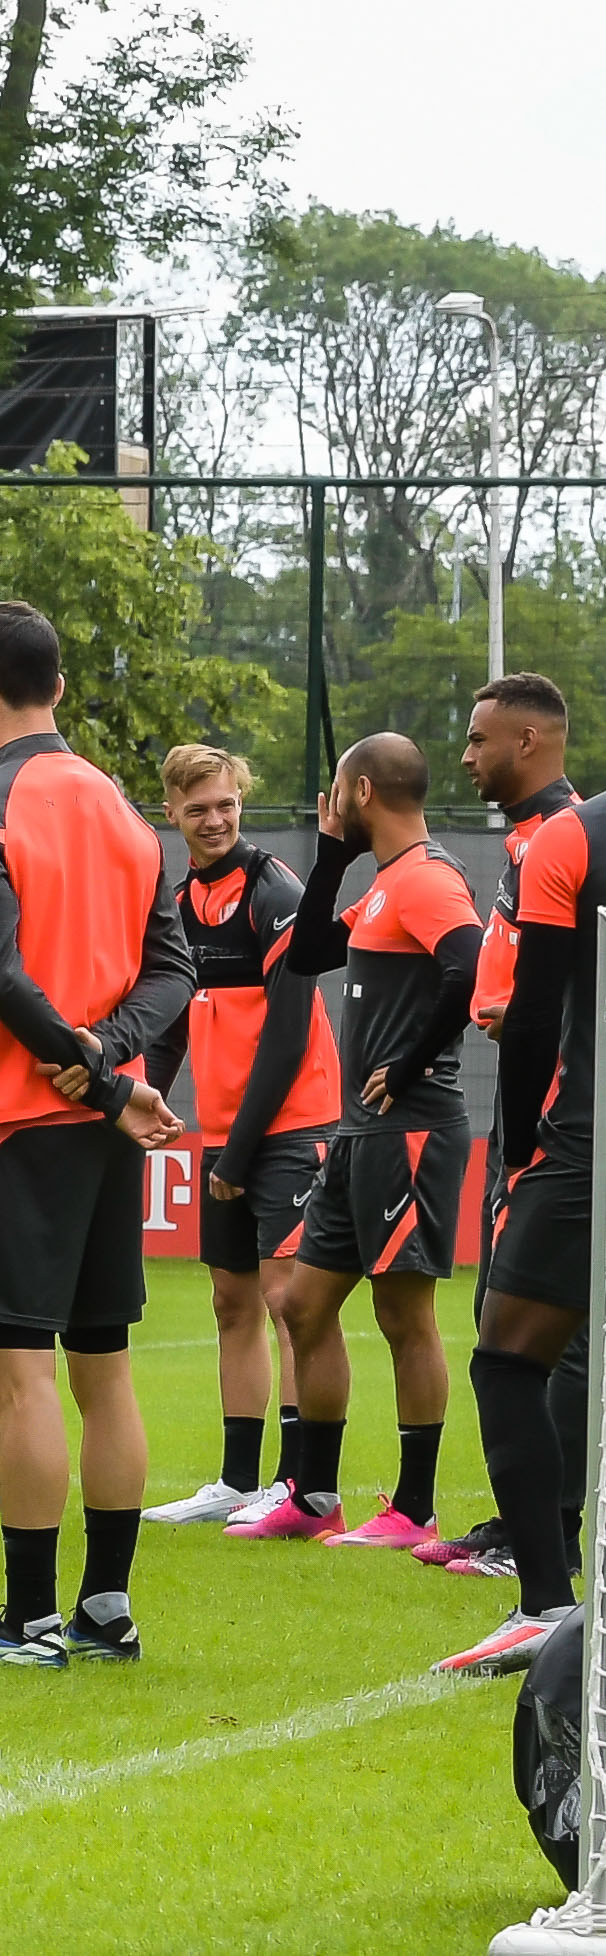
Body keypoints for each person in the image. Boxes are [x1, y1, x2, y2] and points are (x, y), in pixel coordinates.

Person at [0, 601, 194, 1668]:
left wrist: (97, 1081)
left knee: (19, 1374)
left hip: (23, 1126)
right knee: (102, 1369)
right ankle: (105, 1610)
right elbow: (174, 974)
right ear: (58, 688)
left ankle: (27, 1623)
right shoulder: (126, 816)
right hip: (101, 1128)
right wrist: (114, 1063)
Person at [236, 730, 482, 1553]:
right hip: (360, 1136)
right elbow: (305, 953)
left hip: (409, 1132)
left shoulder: (427, 879)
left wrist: (410, 1066)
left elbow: (471, 964)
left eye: (338, 791)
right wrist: (332, 858)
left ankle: (413, 1508)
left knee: (401, 1311)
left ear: (363, 792)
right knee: (302, 1307)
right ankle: (314, 1497)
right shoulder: (382, 885)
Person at [140, 741, 334, 1526]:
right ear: (173, 815)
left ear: (240, 801)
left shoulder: (275, 890)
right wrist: (141, 1092)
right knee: (231, 1300)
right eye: (198, 809)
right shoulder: (181, 901)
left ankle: (297, 1484)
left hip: (289, 1125)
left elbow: (288, 1039)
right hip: (227, 1131)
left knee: (290, 1301)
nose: (214, 819)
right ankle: (237, 1480)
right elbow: (174, 1023)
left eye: (225, 804)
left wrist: (241, 1152)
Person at [454, 685, 602, 1673]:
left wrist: (514, 1164)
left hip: (583, 1145)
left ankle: (546, 1603)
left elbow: (533, 1020)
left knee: (508, 1357)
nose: (467, 756)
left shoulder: (567, 841)